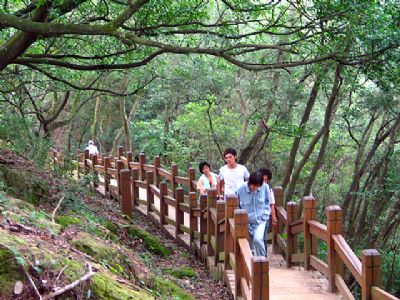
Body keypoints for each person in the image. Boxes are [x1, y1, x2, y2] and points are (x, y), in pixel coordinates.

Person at [236, 171, 270, 257]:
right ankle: (252, 266)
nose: (255, 188)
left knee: (258, 240)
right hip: (245, 222)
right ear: (249, 182)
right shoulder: (240, 189)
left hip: (260, 220)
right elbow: (236, 205)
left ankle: (262, 261)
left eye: (258, 186)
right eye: (253, 185)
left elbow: (267, 202)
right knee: (248, 245)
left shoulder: (265, 187)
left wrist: (265, 215)